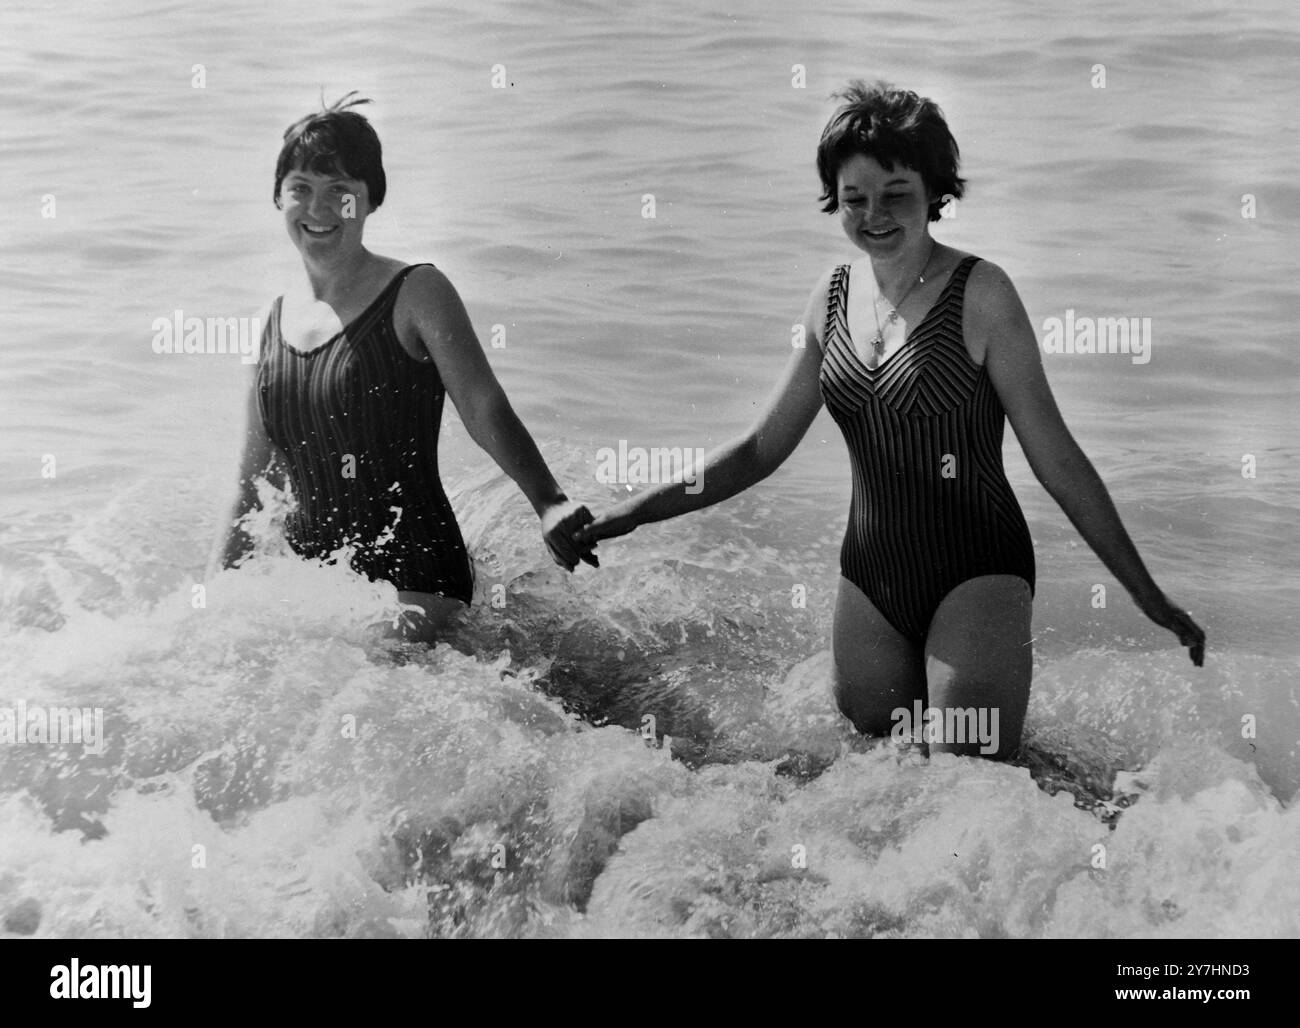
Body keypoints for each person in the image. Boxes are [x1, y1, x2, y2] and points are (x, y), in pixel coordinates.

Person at [577, 80, 1204, 760]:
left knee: (972, 781)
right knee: (873, 779)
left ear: (936, 193)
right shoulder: (832, 296)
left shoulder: (983, 295)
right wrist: (633, 512)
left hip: (978, 573)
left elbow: (1057, 459)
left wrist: (1145, 594)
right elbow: (762, 447)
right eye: (854, 199)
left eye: (896, 194)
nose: (874, 215)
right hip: (869, 580)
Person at [207, 94, 595, 639]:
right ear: (278, 198)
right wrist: (212, 600)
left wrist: (550, 502)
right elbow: (253, 483)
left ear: (371, 201)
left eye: (340, 192)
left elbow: (483, 408)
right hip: (315, 584)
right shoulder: (266, 325)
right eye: (301, 188)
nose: (318, 209)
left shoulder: (417, 292)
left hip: (416, 578)